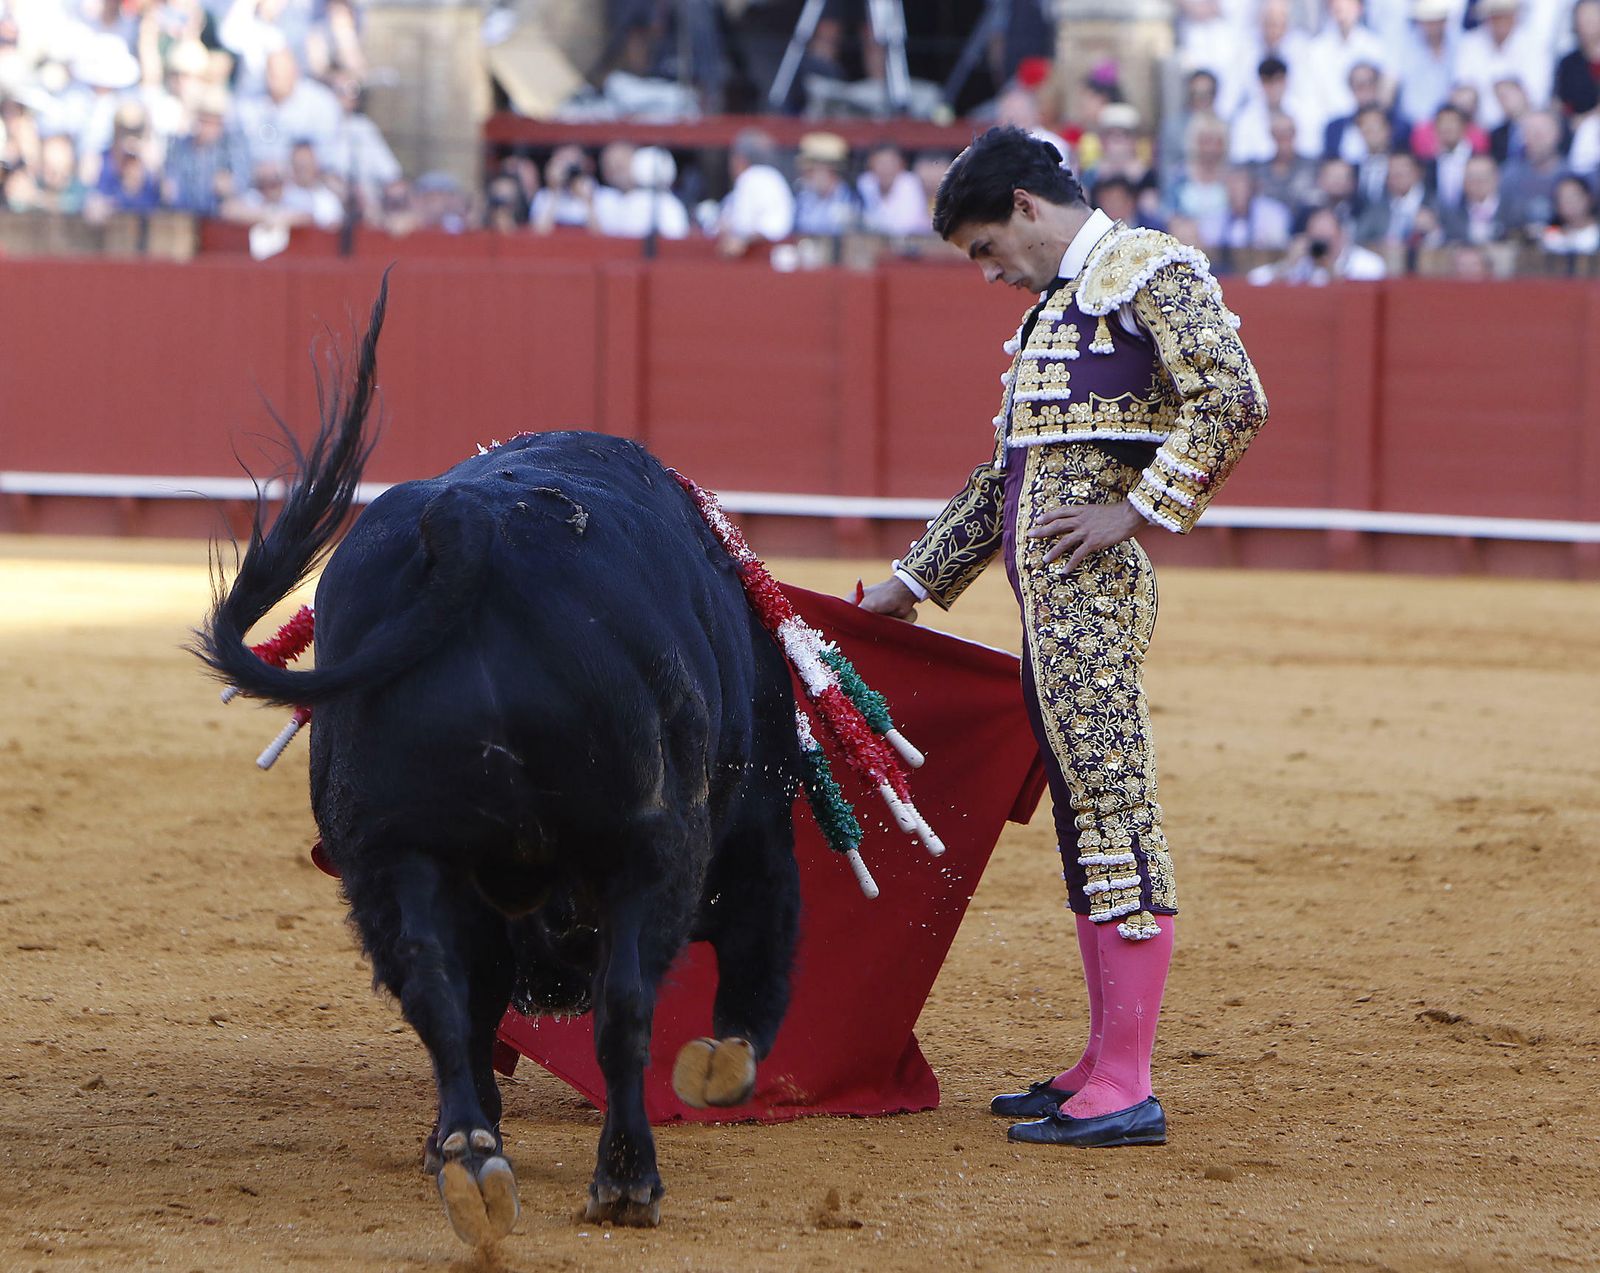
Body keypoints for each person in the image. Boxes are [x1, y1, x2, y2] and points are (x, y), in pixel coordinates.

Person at [858, 126, 1268, 1150]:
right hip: (1048, 607)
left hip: (1091, 600)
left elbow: (1234, 397)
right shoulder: (1053, 312)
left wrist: (1135, 513)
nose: (989, 272)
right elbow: (1007, 476)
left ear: (1027, 209)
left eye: (986, 248)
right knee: (1088, 812)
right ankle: (1099, 1059)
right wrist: (912, 583)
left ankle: (1127, 1080)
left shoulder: (1149, 270)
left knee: (1115, 809)